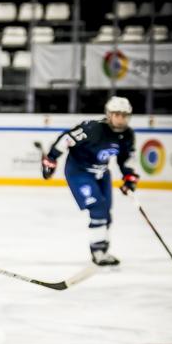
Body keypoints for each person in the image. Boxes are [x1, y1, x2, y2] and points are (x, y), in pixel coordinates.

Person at [40, 96, 138, 266]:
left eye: (124, 115)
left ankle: (103, 249)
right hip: (79, 172)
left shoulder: (127, 135)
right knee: (97, 207)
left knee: (106, 212)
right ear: (109, 114)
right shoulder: (93, 129)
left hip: (102, 174)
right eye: (117, 114)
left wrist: (129, 176)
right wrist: (51, 159)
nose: (121, 119)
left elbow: (125, 158)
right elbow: (67, 139)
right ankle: (98, 251)